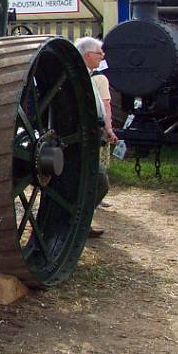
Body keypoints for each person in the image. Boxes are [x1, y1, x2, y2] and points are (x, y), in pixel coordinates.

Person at [74, 36, 117, 238]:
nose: (102, 57)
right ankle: (77, 223)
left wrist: (106, 128)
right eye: (100, 54)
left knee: (97, 181)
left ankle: (80, 222)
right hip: (78, 137)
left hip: (91, 133)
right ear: (88, 55)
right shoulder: (75, 77)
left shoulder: (89, 76)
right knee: (98, 180)